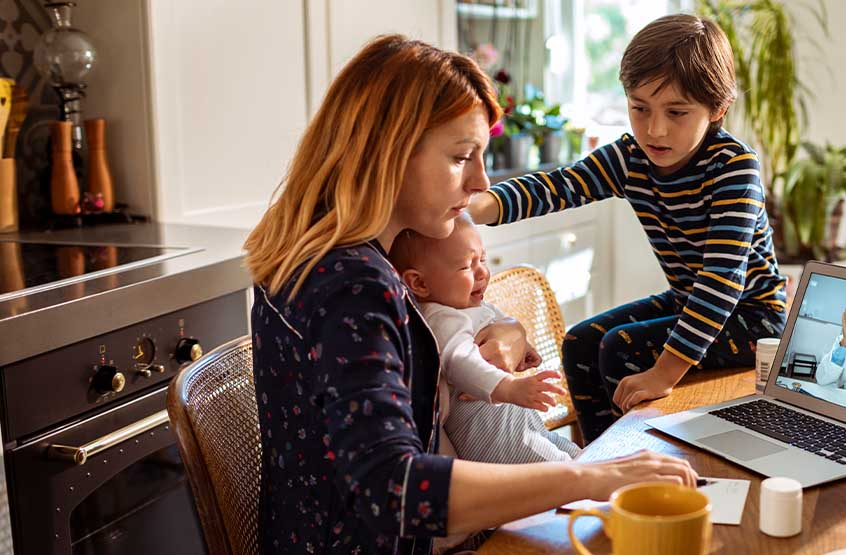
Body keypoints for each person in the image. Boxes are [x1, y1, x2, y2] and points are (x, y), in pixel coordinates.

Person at [243, 35, 696, 554]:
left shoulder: (313, 254)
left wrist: (506, 330)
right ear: (387, 153)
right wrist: (590, 479)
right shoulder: (354, 285)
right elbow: (397, 489)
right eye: (462, 157)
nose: (480, 181)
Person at [467, 14, 786, 442]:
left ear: (718, 109)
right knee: (581, 342)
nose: (655, 129)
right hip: (688, 301)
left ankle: (632, 459)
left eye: (676, 112)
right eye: (639, 108)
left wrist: (665, 373)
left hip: (755, 319)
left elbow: (720, 283)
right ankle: (598, 458)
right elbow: (557, 186)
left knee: (620, 347)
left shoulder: (733, 168)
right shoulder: (630, 157)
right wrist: (471, 207)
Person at [389, 215, 581, 464]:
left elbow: (499, 322)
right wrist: (508, 387)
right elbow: (461, 360)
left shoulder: (469, 306)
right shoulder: (439, 317)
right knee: (570, 474)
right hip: (493, 439)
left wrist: (524, 348)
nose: (483, 272)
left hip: (520, 428)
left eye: (482, 259)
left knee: (581, 458)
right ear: (419, 283)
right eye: (467, 266)